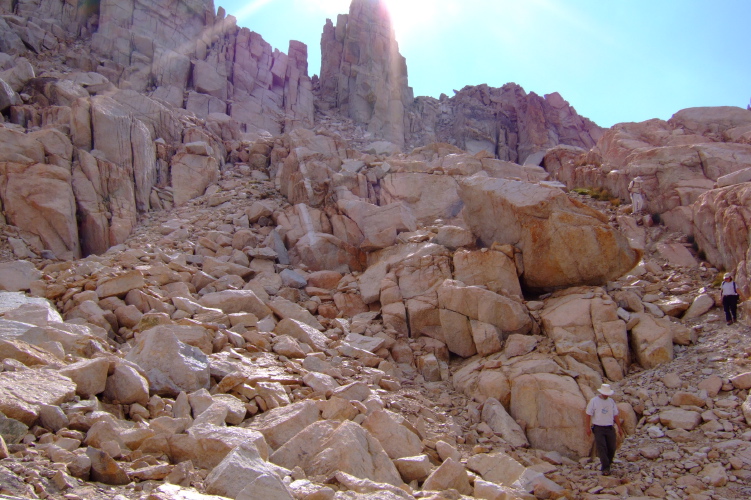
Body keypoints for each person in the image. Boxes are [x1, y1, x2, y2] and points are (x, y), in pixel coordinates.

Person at [585, 384, 622, 476]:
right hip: (598, 428)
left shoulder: (611, 402)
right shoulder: (594, 401)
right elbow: (588, 414)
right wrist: (587, 427)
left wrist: (619, 427)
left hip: (609, 427)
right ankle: (605, 468)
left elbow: (615, 415)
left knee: (612, 448)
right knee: (602, 447)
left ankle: (608, 464)